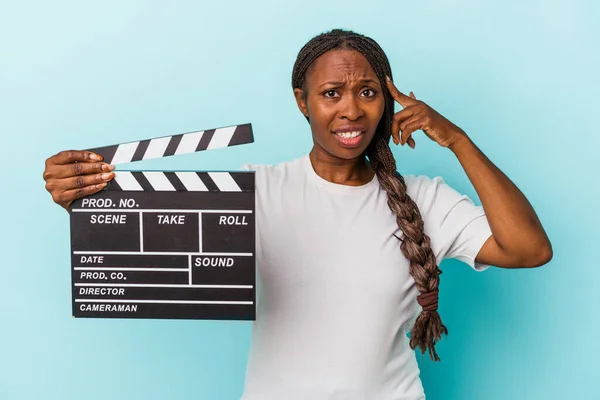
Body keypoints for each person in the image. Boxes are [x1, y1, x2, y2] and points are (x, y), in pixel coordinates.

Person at [42, 29, 552, 400]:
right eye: (331, 93)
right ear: (302, 101)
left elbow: (529, 249)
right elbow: (152, 239)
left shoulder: (426, 200)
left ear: (387, 102)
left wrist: (457, 139)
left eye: (367, 92)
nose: (350, 110)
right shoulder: (257, 190)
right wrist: (84, 196)